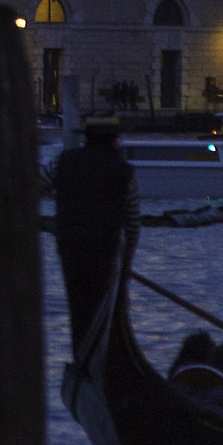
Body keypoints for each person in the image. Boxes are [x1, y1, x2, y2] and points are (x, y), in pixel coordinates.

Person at [51, 119, 139, 344]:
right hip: (104, 253)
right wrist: (126, 265)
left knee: (78, 312)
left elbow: (36, 185)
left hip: (70, 248)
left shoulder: (64, 162)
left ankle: (83, 360)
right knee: (100, 312)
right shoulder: (123, 171)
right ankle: (95, 360)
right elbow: (132, 225)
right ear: (113, 140)